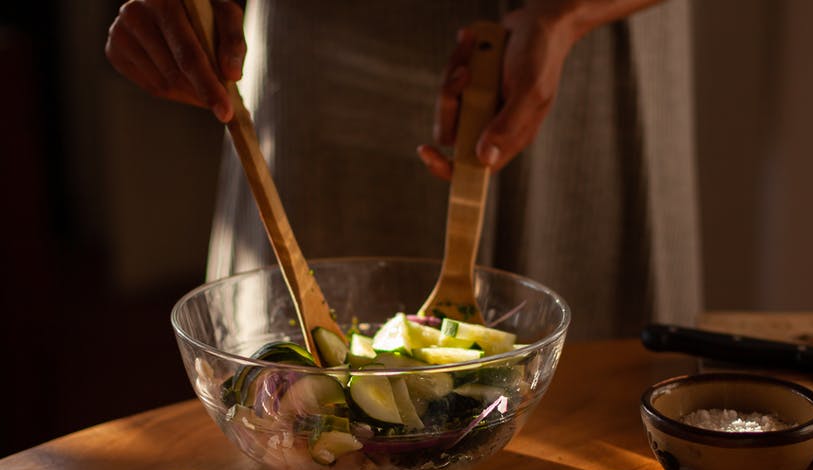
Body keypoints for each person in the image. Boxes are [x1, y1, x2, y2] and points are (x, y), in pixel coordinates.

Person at [105, 0, 701, 340]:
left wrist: (563, 16)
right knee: (293, 407)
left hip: (591, 44)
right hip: (326, 41)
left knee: (601, 416)